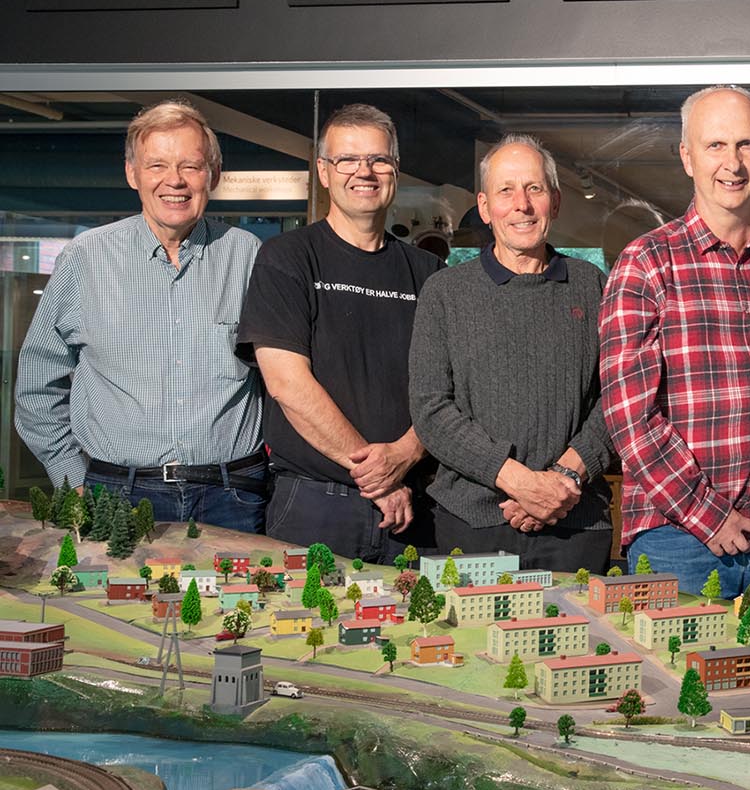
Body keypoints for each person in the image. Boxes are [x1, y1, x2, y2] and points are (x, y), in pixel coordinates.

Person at [600, 85, 750, 605]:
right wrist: (707, 515)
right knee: (675, 684)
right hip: (677, 539)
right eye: (715, 146)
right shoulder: (646, 262)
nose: (732, 163)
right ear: (687, 157)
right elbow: (630, 417)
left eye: (746, 145)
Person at [15, 100, 267, 530]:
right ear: (132, 173)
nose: (175, 181)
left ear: (214, 175)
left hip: (233, 496)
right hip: (114, 495)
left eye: (191, 166)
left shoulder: (251, 257)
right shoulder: (85, 259)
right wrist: (72, 479)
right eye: (157, 166)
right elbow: (37, 386)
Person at [238, 104, 442, 562]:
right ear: (324, 173)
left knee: (420, 633)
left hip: (414, 502)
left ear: (394, 171)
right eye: (348, 159)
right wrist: (378, 476)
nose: (364, 172)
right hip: (315, 505)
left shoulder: (430, 273)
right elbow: (288, 385)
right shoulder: (287, 259)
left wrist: (405, 457)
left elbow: (449, 387)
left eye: (378, 160)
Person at [409, 135, 613, 572]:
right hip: (471, 522)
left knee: (582, 642)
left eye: (534, 189)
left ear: (555, 202)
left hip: (576, 524)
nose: (521, 204)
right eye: (506, 190)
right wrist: (519, 482)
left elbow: (618, 399)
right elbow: (431, 409)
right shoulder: (444, 292)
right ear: (484, 207)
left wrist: (565, 479)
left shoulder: (593, 286)